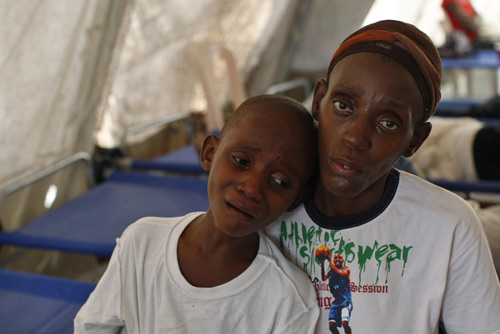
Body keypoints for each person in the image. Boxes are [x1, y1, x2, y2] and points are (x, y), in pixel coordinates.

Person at [264, 20, 500, 333]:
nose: (355, 138)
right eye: (343, 105)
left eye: (388, 123)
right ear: (319, 100)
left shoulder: (449, 227)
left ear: (415, 139)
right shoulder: (267, 204)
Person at [74, 95, 320, 333]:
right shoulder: (142, 244)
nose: (252, 188)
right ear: (210, 153)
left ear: (296, 197)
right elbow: (92, 327)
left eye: (280, 180)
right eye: (241, 161)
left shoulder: (289, 300)